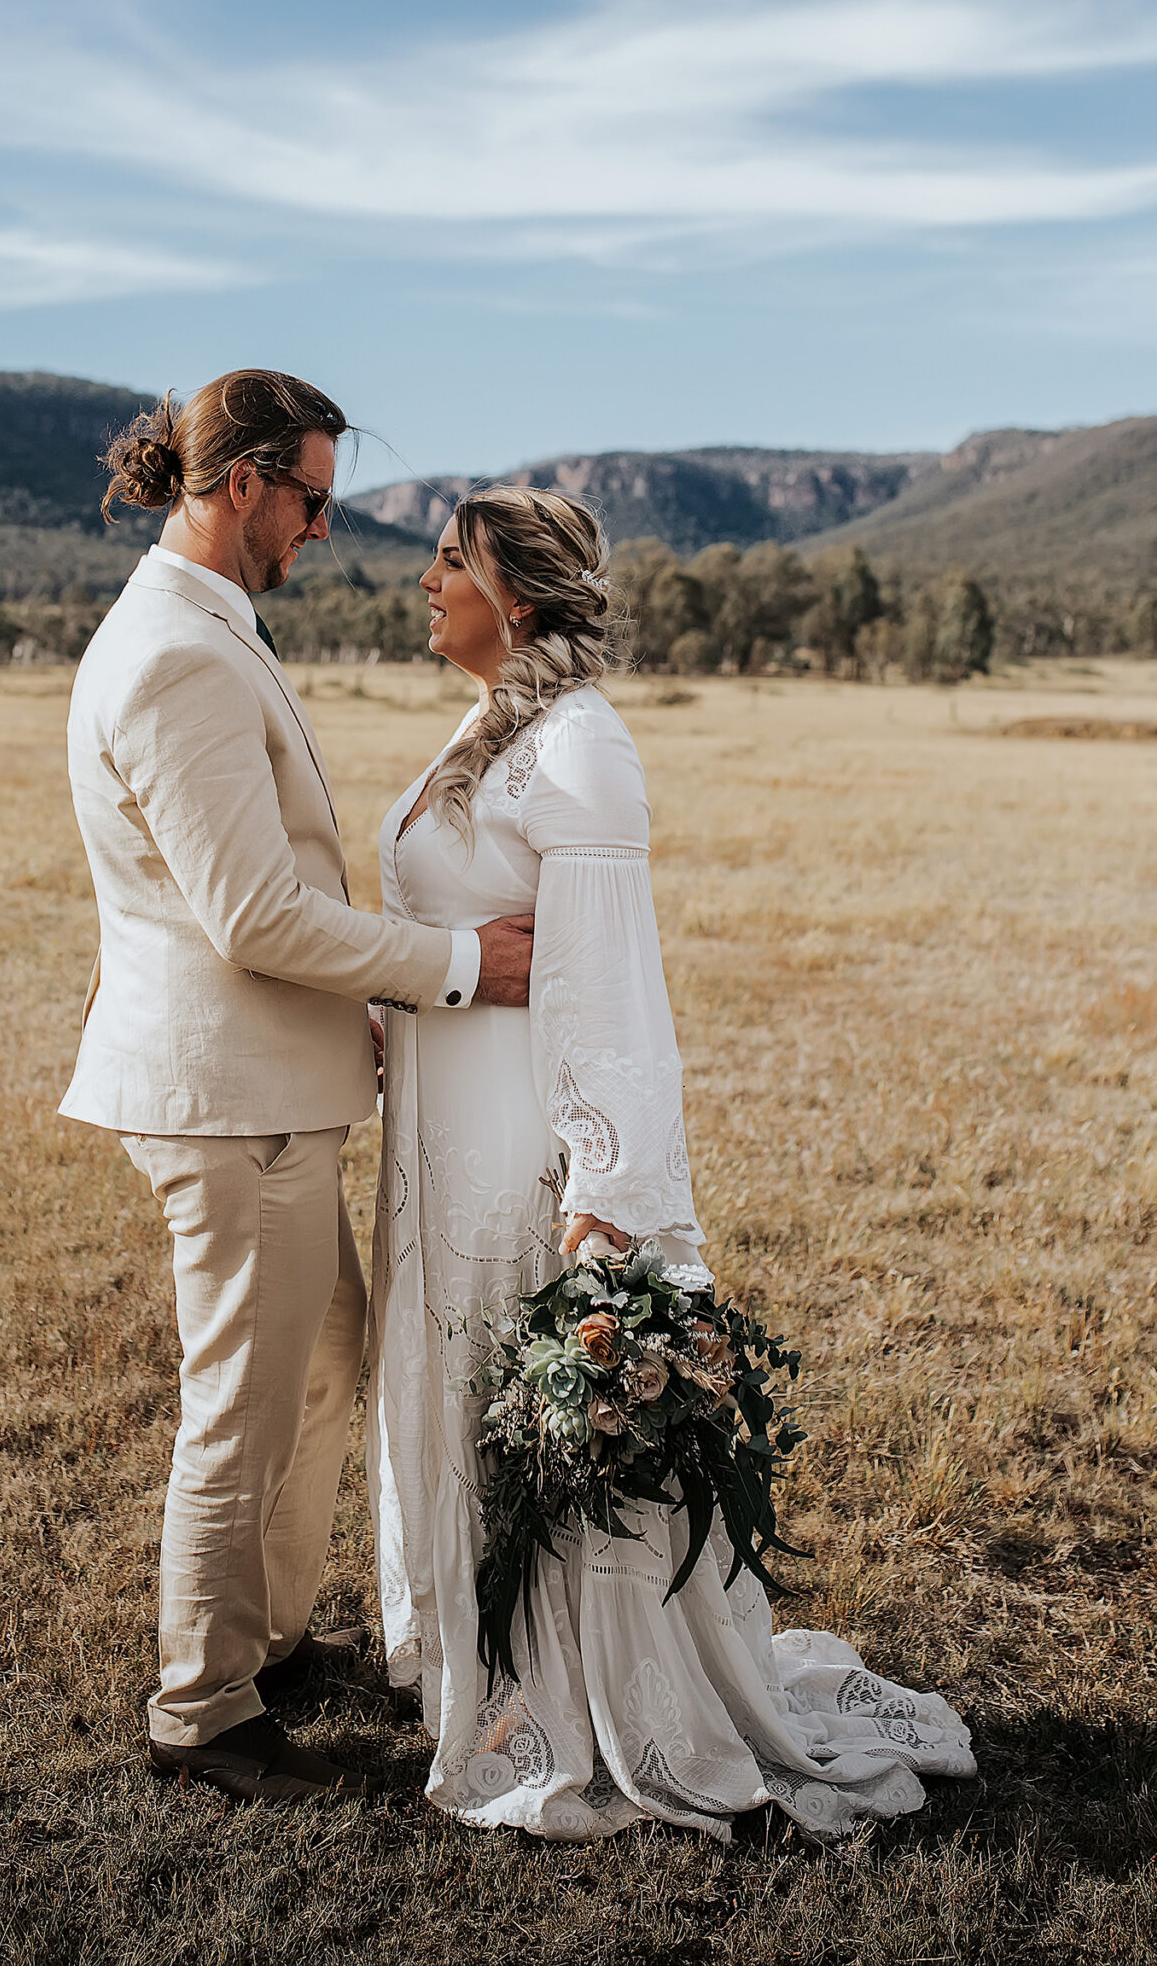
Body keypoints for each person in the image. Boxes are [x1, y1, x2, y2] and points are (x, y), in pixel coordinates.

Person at [368, 487, 975, 1840]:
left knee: (537, 1423)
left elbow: (612, 1004)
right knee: (468, 1404)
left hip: (524, 1154)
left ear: (515, 597)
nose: (427, 578)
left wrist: (602, 1198)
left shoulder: (582, 747)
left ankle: (586, 1695)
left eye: (450, 561)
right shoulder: (486, 726)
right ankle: (505, 1666)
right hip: (438, 1145)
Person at [58, 370, 537, 1809]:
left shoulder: (205, 633)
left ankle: (262, 1644)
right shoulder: (176, 656)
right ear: (245, 483)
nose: (325, 530)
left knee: (321, 1361)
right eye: (315, 499)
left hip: (267, 1079)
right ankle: (200, 1712)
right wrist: (452, 966)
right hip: (230, 1102)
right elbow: (253, 914)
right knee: (244, 1401)